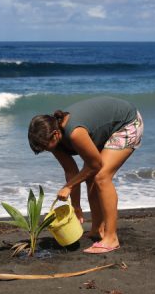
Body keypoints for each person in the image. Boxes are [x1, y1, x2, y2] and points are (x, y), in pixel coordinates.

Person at [28, 96, 143, 254]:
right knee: (90, 177)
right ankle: (97, 229)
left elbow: (95, 165)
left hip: (127, 123)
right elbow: (71, 172)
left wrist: (68, 187)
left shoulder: (75, 133)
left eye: (46, 146)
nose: (47, 150)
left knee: (101, 177)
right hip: (106, 130)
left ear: (55, 134)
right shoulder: (54, 142)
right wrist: (76, 206)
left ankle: (111, 238)